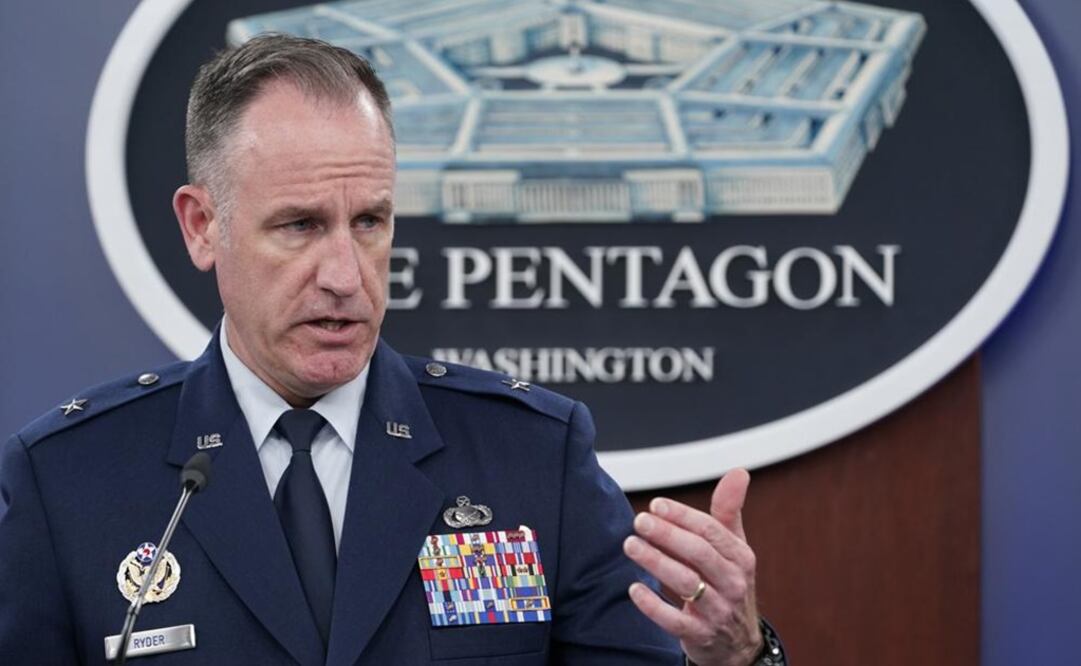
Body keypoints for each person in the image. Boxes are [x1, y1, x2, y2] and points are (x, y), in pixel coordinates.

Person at [0, 35, 783, 665]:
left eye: (369, 222)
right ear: (203, 226)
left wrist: (738, 659)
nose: (344, 275)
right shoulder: (70, 480)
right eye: (299, 225)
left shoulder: (530, 458)